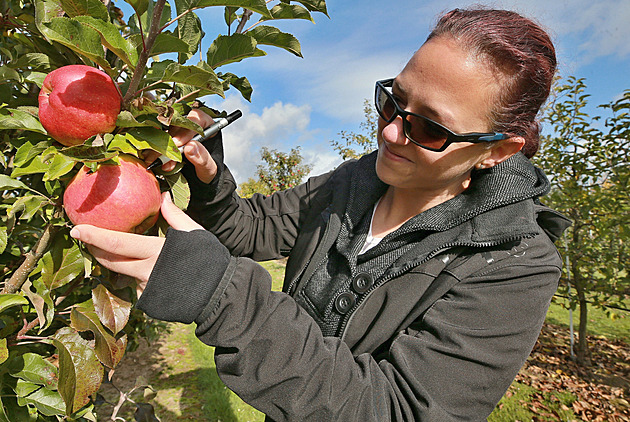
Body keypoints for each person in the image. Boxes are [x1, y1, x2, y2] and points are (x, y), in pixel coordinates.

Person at [70, 7, 572, 421]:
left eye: (430, 129)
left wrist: (225, 300)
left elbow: (401, 411)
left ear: (497, 151)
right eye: (392, 102)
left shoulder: (511, 262)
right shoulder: (352, 184)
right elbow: (249, 230)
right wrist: (208, 174)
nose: (391, 133)